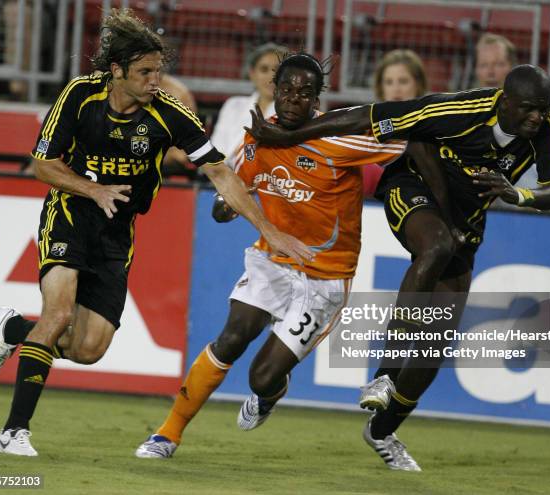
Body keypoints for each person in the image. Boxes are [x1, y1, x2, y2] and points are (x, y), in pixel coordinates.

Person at [0, 9, 312, 457]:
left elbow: (220, 172)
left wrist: (269, 228)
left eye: (159, 70)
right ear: (116, 71)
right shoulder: (80, 95)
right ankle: (13, 431)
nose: (157, 80)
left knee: (89, 348)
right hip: (70, 214)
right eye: (145, 72)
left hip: (118, 232)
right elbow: (42, 165)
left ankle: (16, 328)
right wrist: (92, 190)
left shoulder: (170, 115)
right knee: (58, 315)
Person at [246, 64, 550, 470]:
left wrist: (517, 195)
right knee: (434, 247)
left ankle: (381, 431)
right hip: (413, 189)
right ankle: (384, 372)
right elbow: (366, 115)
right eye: (527, 109)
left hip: (466, 220)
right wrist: (291, 135)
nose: (536, 117)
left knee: (432, 349)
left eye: (541, 109)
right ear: (504, 102)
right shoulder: (458, 109)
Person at [134, 52, 406, 459]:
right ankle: (167, 434)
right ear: (273, 90)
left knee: (262, 377)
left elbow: (402, 140)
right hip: (272, 261)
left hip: (325, 277)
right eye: (287, 90)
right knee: (232, 336)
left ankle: (269, 393)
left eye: (305, 93)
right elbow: (225, 196)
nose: (294, 99)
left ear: (317, 98)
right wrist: (226, 206)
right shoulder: (256, 139)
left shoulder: (338, 138)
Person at [475, 32, 550, 213]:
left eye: (498, 64)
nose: (490, 72)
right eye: (484, 65)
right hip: (507, 206)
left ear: (513, 68)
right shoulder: (474, 111)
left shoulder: (545, 109)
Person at [363, 49, 428, 196]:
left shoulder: (434, 128)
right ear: (381, 87)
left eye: (403, 81)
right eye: (389, 82)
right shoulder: (367, 130)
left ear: (418, 84)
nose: (396, 89)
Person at [210, 42, 287, 167]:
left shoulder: (293, 112)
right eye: (264, 69)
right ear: (252, 74)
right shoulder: (233, 105)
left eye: (278, 70)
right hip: (224, 176)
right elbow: (217, 148)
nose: (271, 77)